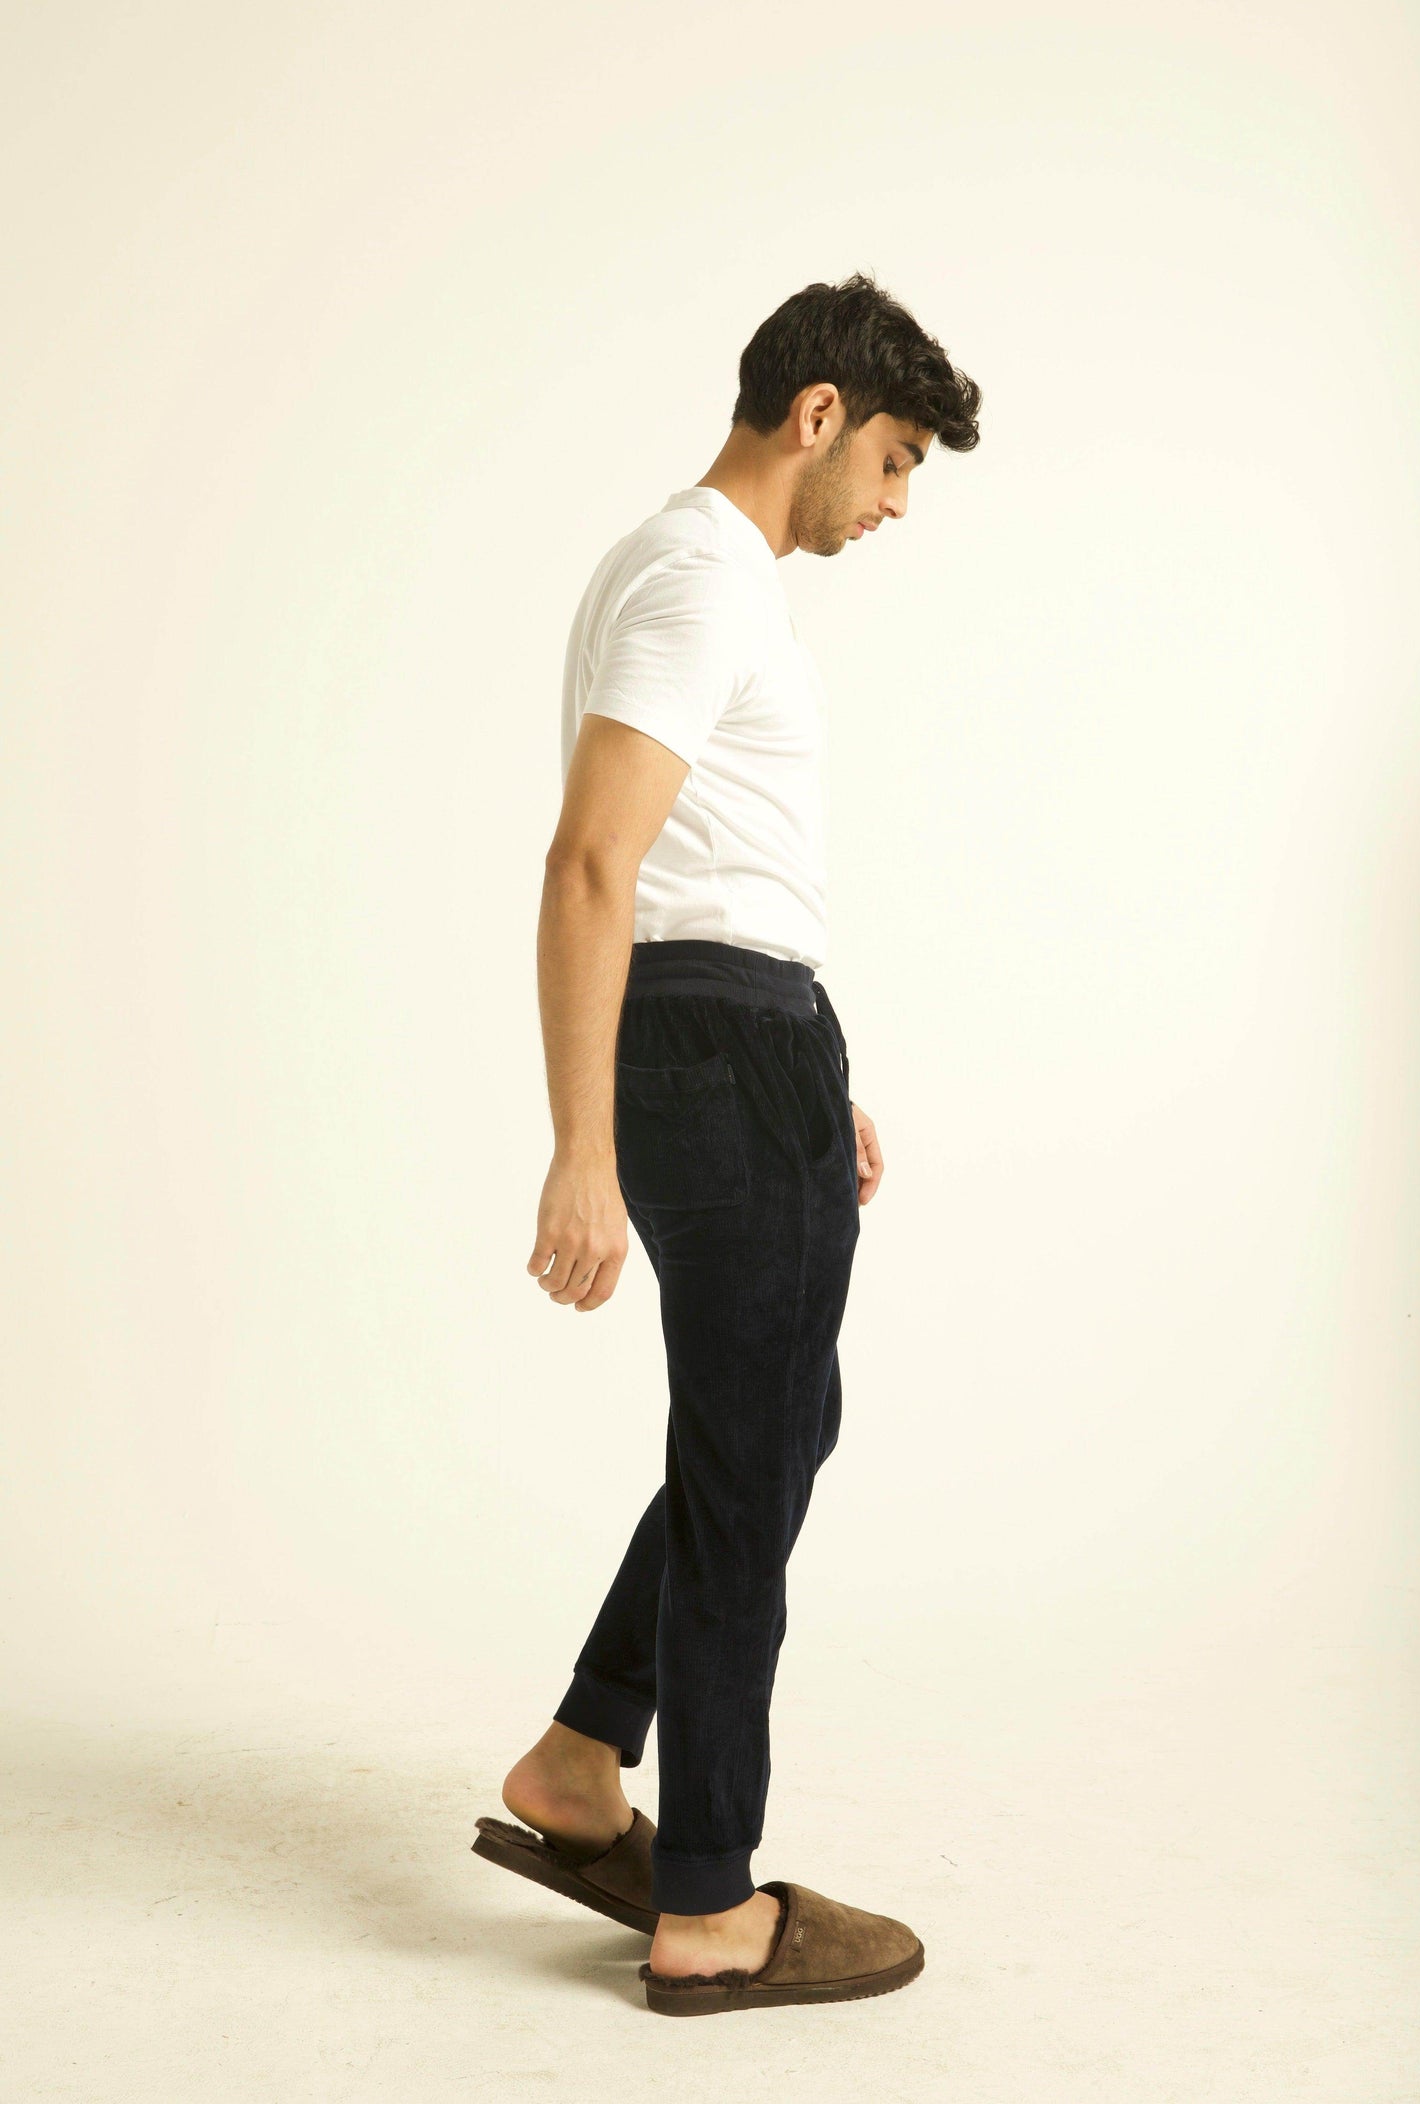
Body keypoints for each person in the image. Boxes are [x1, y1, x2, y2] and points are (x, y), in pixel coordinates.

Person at [473, 271, 981, 2015]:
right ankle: (703, 1903)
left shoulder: (695, 573)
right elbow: (590, 861)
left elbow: (696, 866)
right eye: (894, 460)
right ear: (817, 413)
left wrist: (799, 1062)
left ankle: (578, 1759)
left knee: (770, 1425)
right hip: (711, 1042)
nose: (895, 504)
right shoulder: (699, 577)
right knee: (753, 1449)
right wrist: (582, 1149)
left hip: (743, 1038)